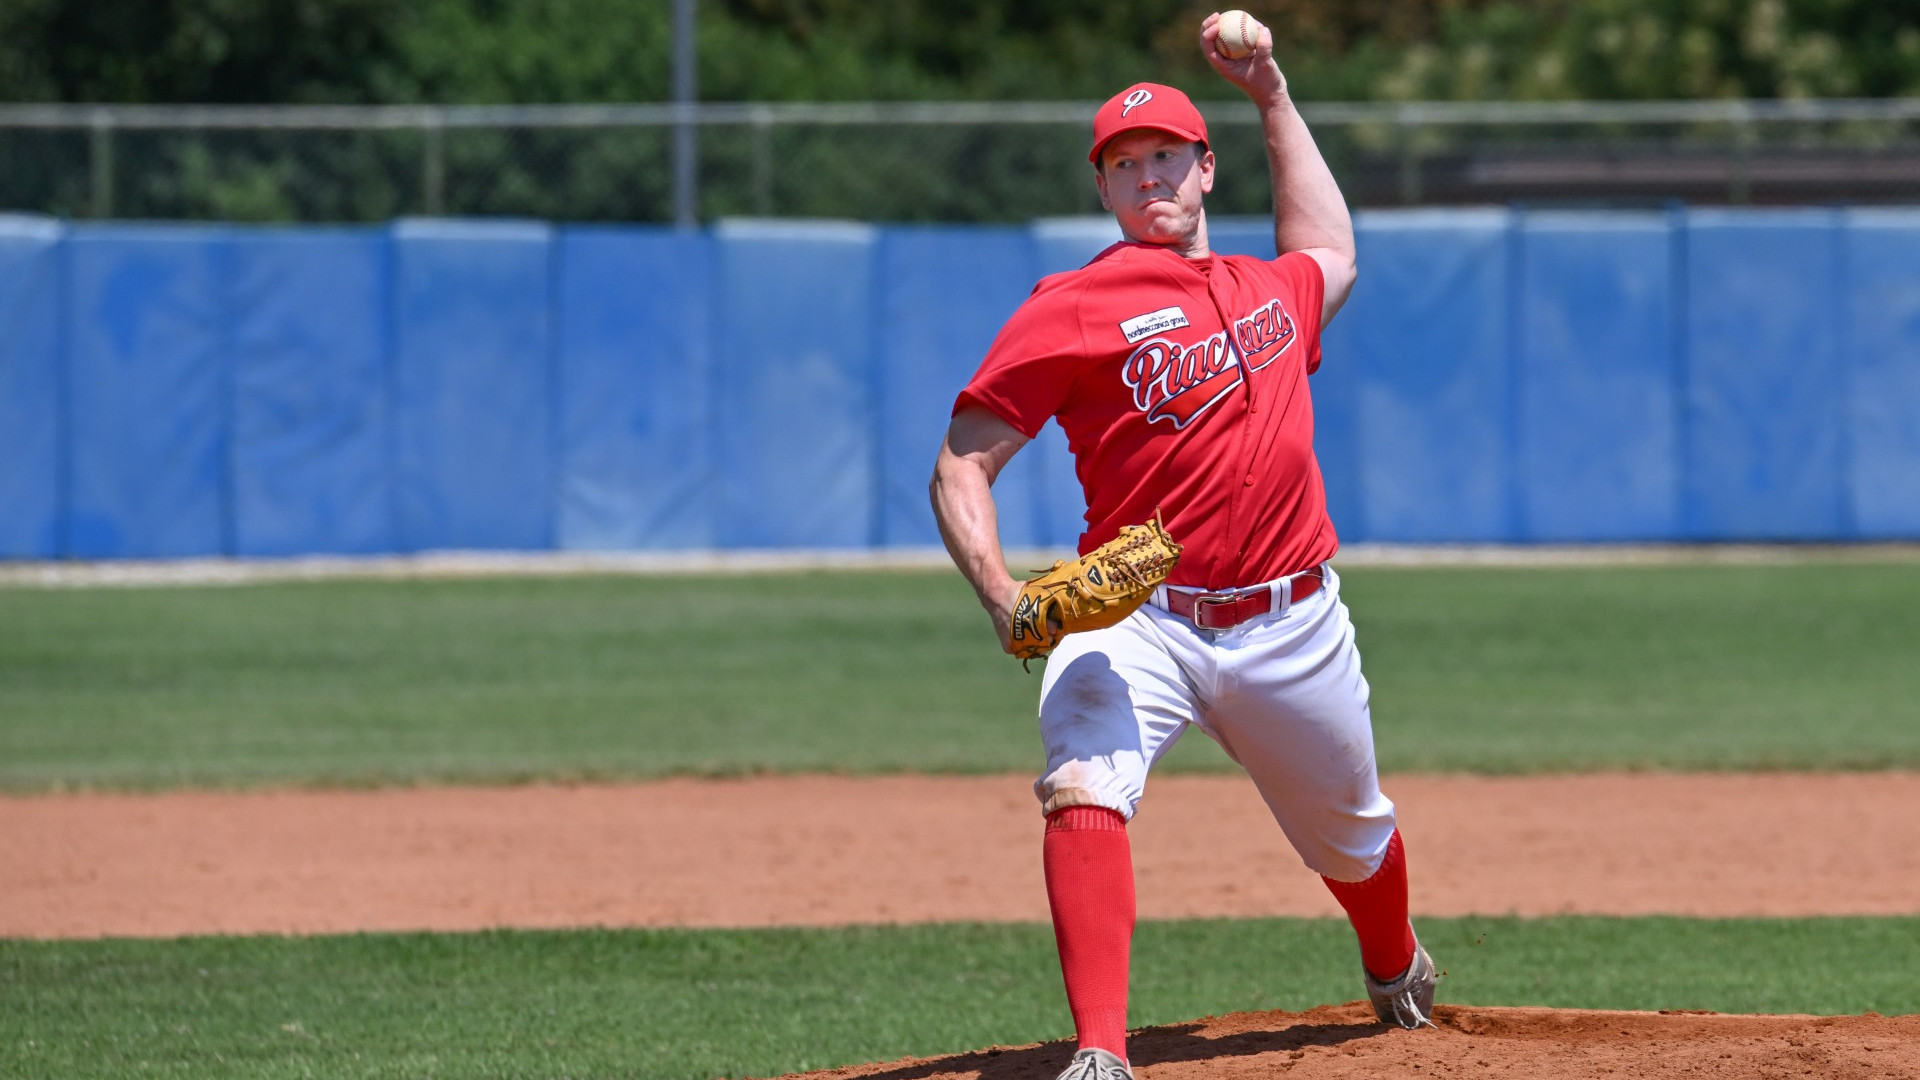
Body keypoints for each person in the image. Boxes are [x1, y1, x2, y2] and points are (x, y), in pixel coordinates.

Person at [928, 13, 1436, 1080]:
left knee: (1354, 832)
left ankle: (1393, 965)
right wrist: (999, 593)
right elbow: (962, 462)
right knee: (1083, 779)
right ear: (1105, 191)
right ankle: (1101, 1054)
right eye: (1125, 165)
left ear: (1206, 169)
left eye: (1166, 156)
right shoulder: (1071, 307)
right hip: (1137, 617)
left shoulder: (1270, 292)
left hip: (1291, 618)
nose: (1148, 176)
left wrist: (1273, 96)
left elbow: (1332, 251)